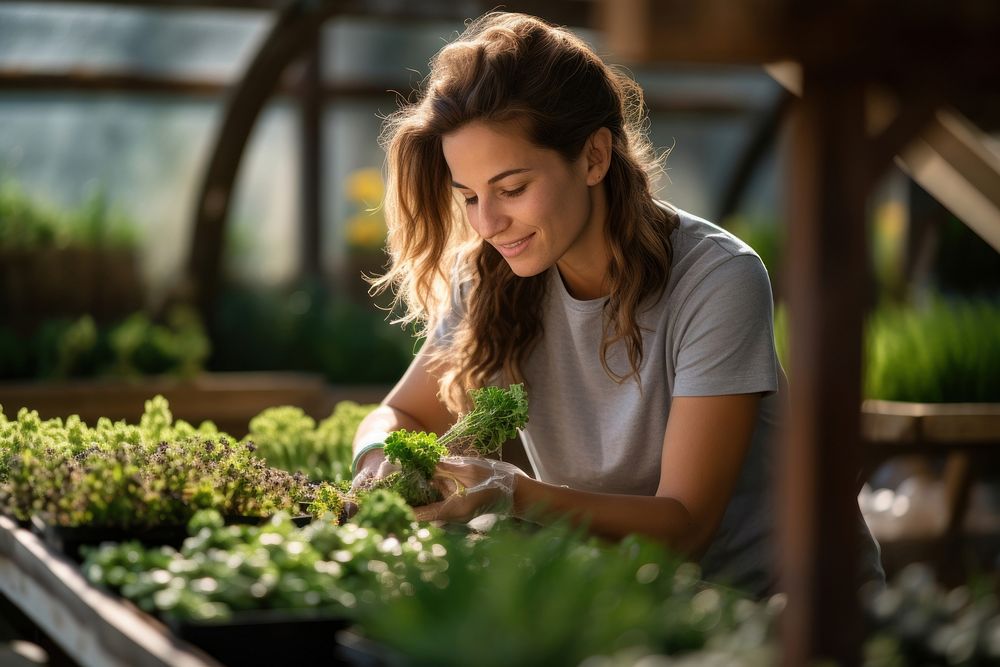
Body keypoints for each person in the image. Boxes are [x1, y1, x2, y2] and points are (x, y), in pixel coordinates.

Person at [350, 11, 884, 598]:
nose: (489, 222)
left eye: (512, 188)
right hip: (632, 609)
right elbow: (402, 416)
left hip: (783, 611)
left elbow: (686, 527)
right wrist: (379, 457)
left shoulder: (715, 278)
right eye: (470, 196)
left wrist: (516, 493)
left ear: (594, 158)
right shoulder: (487, 276)